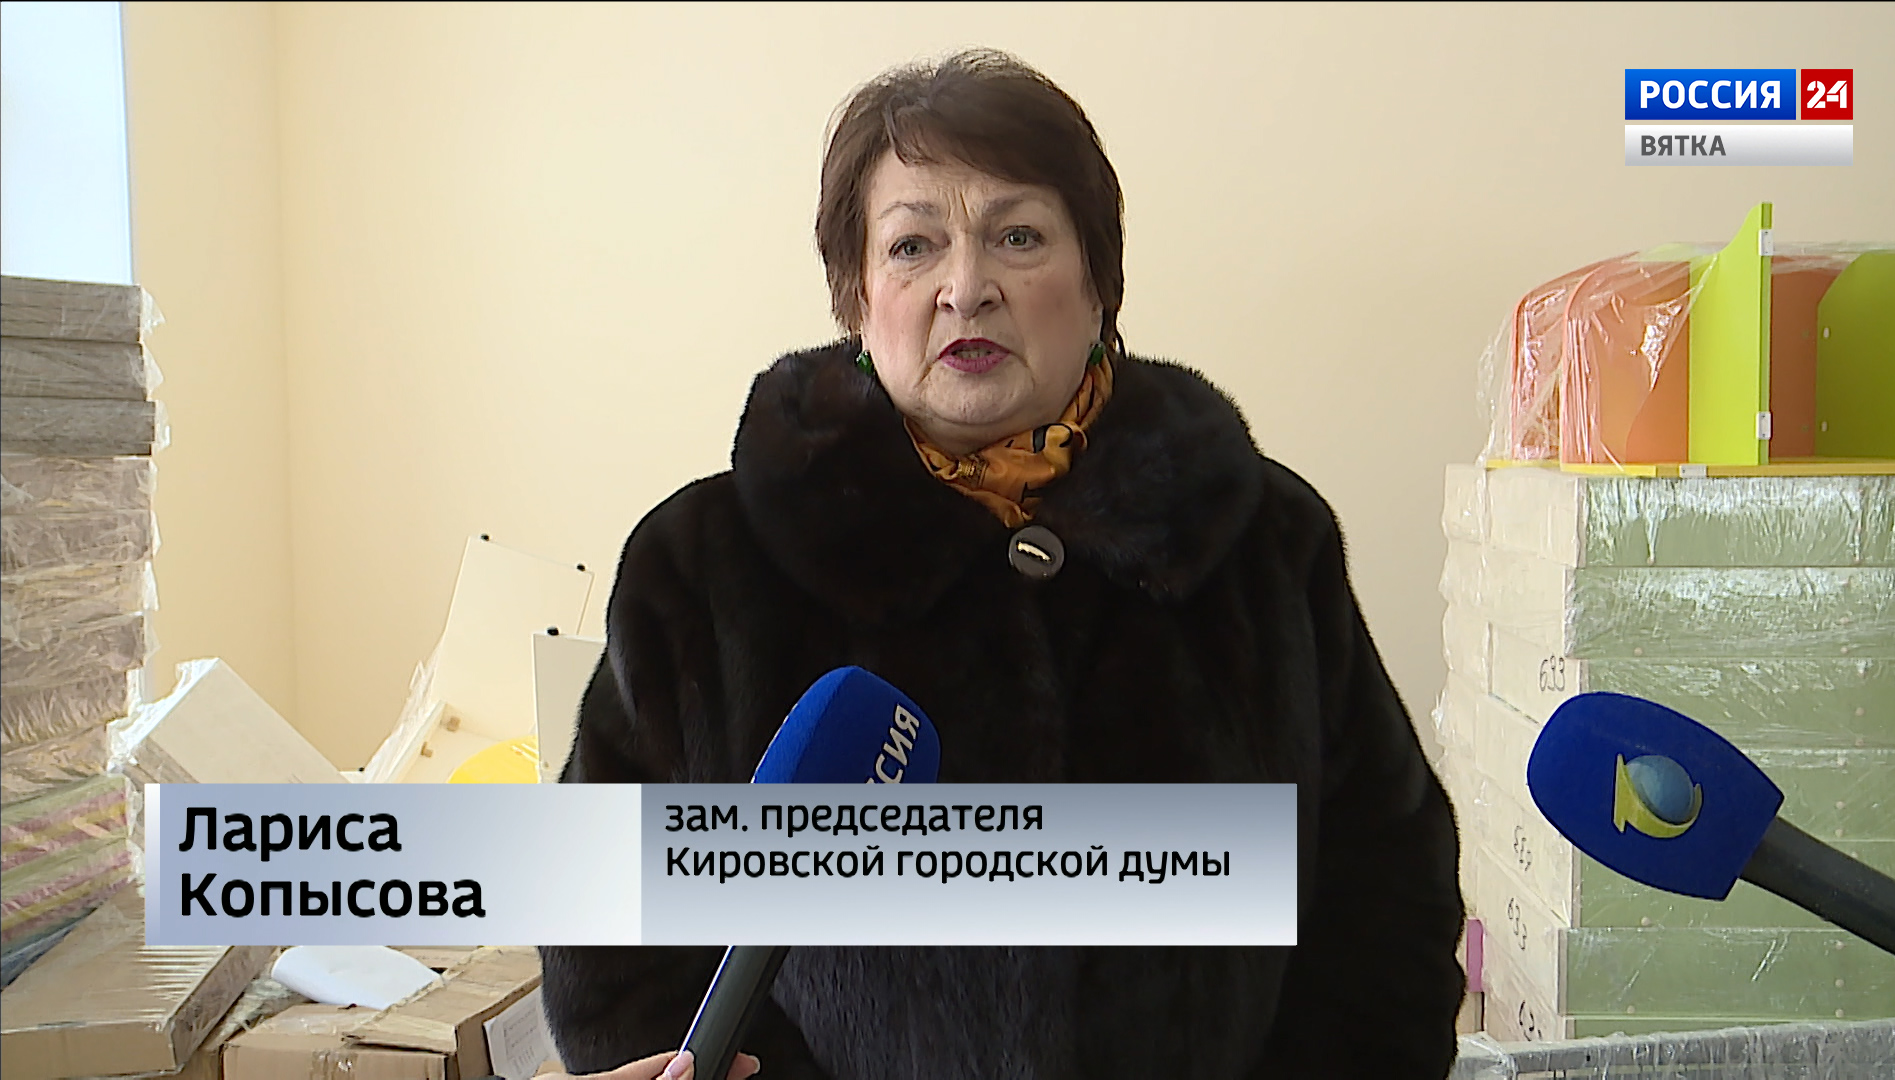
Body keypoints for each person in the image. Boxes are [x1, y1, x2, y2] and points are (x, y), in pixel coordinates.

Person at [539, 49, 1464, 1079]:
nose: (966, 289)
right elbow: (608, 937)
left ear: (1099, 283)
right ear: (856, 297)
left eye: (1018, 237)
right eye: (913, 246)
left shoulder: (1260, 542)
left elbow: (1386, 900)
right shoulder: (704, 569)